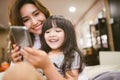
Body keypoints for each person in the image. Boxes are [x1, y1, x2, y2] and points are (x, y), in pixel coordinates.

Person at [4, 15, 85, 80]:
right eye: (47, 32)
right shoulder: (41, 52)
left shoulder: (72, 55)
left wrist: (47, 66)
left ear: (68, 34)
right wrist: (19, 62)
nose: (51, 35)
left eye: (57, 31)